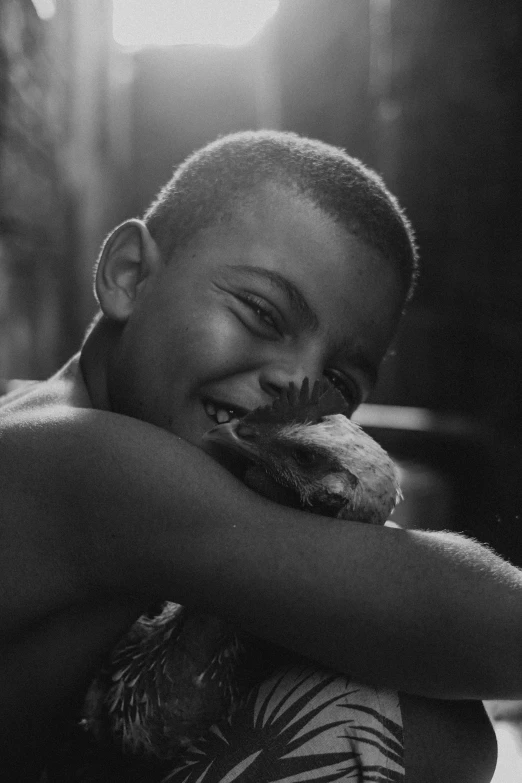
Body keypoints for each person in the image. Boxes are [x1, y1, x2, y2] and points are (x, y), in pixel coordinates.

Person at [0, 130, 516, 781]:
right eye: (263, 315)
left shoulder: (37, 407)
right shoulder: (86, 461)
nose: (296, 386)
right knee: (412, 726)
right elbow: (480, 624)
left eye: (340, 383)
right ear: (130, 274)